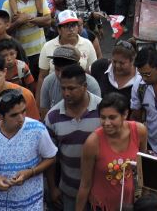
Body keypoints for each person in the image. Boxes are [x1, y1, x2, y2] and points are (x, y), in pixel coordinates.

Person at [0, 88, 58, 211]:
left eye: (23, 112)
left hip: (32, 205)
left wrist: (31, 172)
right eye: (14, 115)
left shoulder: (37, 129)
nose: (21, 118)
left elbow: (51, 157)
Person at [76, 93, 148, 211]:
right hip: (101, 206)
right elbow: (85, 184)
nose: (106, 123)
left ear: (125, 114)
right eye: (103, 117)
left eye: (112, 117)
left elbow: (143, 168)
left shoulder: (139, 131)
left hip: (128, 204)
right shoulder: (92, 143)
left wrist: (144, 199)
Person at [44, 64, 102, 211]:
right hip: (70, 192)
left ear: (84, 86)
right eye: (63, 88)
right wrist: (52, 188)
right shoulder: (52, 116)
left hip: (101, 191)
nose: (66, 93)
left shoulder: (103, 109)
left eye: (71, 88)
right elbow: (50, 157)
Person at [36, 10, 98, 90]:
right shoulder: (48, 46)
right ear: (59, 29)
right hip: (55, 90)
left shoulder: (87, 44)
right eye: (66, 26)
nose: (71, 29)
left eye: (74, 25)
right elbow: (42, 77)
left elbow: (92, 71)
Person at [38, 45, 102, 120]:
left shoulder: (91, 84)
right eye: (57, 69)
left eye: (65, 70)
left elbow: (99, 113)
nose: (60, 75)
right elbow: (44, 114)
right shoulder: (48, 81)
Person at [90, 39, 140, 104]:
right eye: (114, 61)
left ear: (132, 61)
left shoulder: (141, 79)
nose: (117, 66)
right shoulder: (100, 66)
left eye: (122, 63)